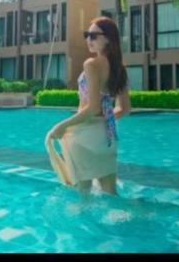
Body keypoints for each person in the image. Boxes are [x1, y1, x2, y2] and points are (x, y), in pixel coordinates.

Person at [45, 16, 131, 195]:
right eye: (87, 35)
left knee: (83, 193)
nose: (88, 40)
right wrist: (105, 119)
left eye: (93, 36)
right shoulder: (120, 68)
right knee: (110, 192)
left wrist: (62, 125)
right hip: (107, 137)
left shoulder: (91, 64)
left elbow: (92, 108)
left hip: (85, 136)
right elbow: (124, 108)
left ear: (107, 38)